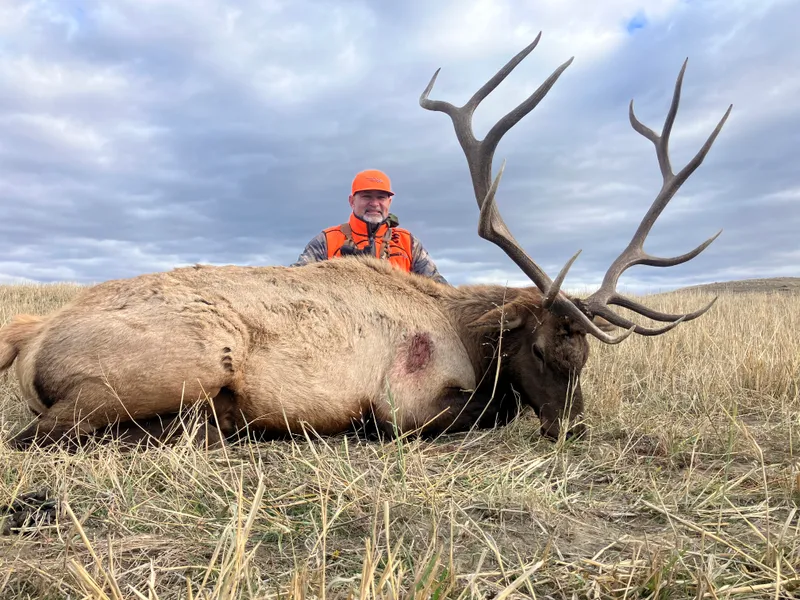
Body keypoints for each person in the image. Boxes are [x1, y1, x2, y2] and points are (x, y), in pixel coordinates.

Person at [291, 169, 449, 284]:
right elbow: (294, 280)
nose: (374, 203)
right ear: (352, 201)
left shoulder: (407, 242)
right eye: (366, 197)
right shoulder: (327, 240)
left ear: (389, 202)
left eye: (381, 197)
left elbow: (438, 288)